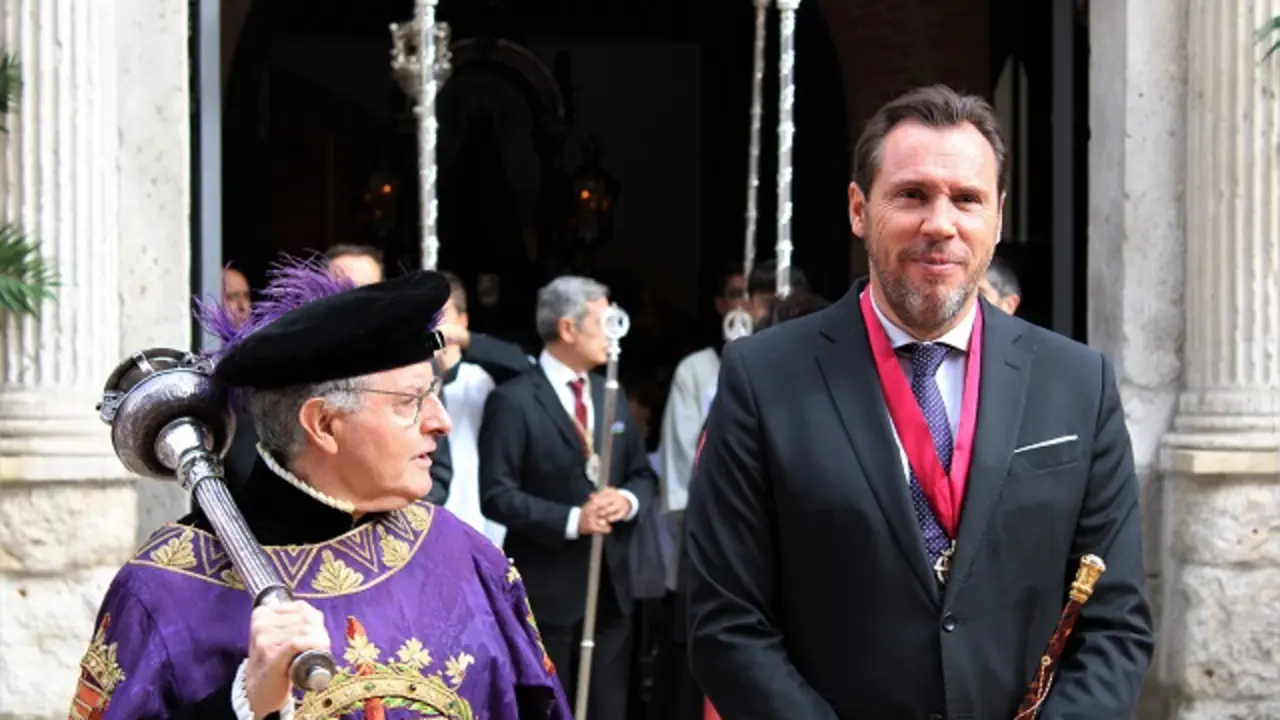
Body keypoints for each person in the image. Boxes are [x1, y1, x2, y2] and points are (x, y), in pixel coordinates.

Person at [686, 84, 1152, 719]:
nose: (941, 223)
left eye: (967, 199)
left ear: (998, 217)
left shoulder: (1078, 382)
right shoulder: (762, 379)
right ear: (858, 209)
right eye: (911, 195)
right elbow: (726, 623)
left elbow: (1115, 623)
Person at [68, 257, 570, 718]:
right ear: (324, 424)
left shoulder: (465, 559)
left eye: (434, 393)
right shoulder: (164, 594)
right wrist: (243, 704)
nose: (440, 422)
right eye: (410, 401)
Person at [478, 276, 658, 720]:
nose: (614, 332)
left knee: (607, 706)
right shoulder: (514, 400)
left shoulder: (607, 392)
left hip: (610, 585)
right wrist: (572, 519)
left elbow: (641, 474)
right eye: (603, 320)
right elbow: (496, 494)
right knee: (549, 705)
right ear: (567, 328)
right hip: (548, 586)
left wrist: (628, 502)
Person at [437, 270, 507, 547]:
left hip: (473, 510)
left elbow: (526, 368)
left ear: (462, 322)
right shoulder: (401, 380)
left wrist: (462, 338)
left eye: (440, 316)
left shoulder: (479, 378)